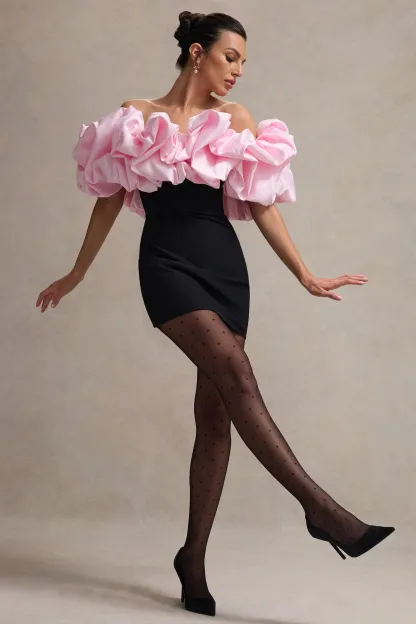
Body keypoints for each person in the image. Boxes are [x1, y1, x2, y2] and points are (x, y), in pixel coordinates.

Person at [36, 10, 394, 618]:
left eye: (244, 62)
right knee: (238, 376)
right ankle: (322, 511)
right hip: (166, 267)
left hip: (226, 273)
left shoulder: (235, 120)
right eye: (231, 57)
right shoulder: (135, 117)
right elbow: (109, 201)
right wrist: (78, 272)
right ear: (197, 52)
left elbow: (261, 204)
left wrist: (304, 273)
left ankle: (193, 559)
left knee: (216, 419)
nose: (238, 72)